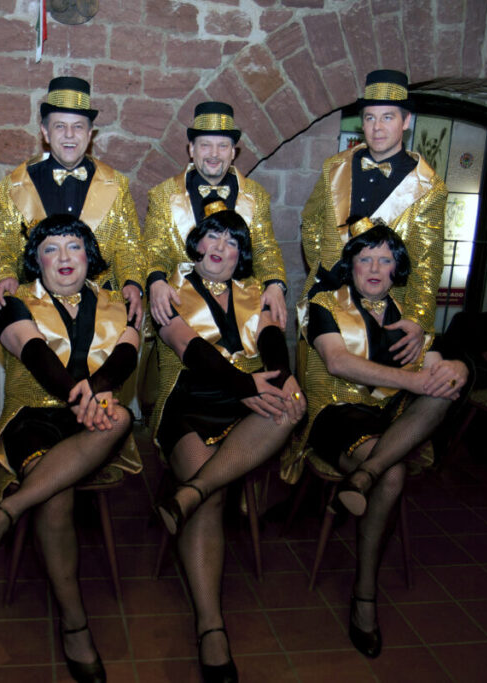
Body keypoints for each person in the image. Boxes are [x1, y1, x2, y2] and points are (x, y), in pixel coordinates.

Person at [0, 214, 141, 683]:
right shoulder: (14, 302)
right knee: (57, 494)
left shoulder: (117, 301)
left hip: (95, 416)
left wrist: (97, 393)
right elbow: (37, 355)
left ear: (89, 255)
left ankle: (8, 510)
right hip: (34, 419)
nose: (64, 257)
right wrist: (80, 396)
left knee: (122, 417)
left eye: (73, 246)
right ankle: (75, 624)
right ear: (36, 260)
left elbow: (126, 354)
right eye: (51, 249)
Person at [297, 220, 466, 658]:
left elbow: (436, 363)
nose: (374, 268)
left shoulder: (407, 311)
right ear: (350, 265)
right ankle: (365, 595)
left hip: (392, 419)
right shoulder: (324, 303)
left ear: (397, 269)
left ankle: (363, 475)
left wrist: (457, 369)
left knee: (444, 392)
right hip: (336, 413)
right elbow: (338, 363)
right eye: (365, 258)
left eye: (385, 260)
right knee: (393, 475)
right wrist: (416, 381)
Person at [151, 202, 305, 683]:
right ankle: (211, 626)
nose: (222, 247)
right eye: (214, 236)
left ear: (242, 254)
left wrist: (283, 377)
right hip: (189, 402)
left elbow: (273, 339)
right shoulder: (170, 290)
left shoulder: (256, 292)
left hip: (246, 399)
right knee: (213, 499)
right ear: (196, 243)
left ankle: (188, 492)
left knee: (289, 408)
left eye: (233, 241)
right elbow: (187, 346)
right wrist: (246, 386)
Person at [298, 69, 447, 372]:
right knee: (316, 387)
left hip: (386, 313)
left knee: (381, 390)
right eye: (370, 118)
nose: (377, 127)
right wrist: (328, 267)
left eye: (387, 117)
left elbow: (427, 263)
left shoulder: (429, 187)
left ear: (406, 121)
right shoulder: (334, 167)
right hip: (327, 301)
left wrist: (417, 318)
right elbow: (311, 222)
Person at [0, 77, 145, 325]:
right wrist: (4, 275)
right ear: (45, 132)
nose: (69, 135)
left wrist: (132, 282)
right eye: (60, 126)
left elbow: (129, 246)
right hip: (34, 311)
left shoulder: (116, 185)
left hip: (101, 312)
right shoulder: (15, 185)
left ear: (90, 133)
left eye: (78, 127)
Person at [144, 101, 287, 327]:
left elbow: (265, 250)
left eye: (222, 146)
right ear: (191, 149)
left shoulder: (256, 196)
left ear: (233, 152)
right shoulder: (163, 195)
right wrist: (156, 281)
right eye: (205, 145)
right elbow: (154, 251)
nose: (214, 154)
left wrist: (275, 284)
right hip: (181, 308)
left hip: (241, 310)